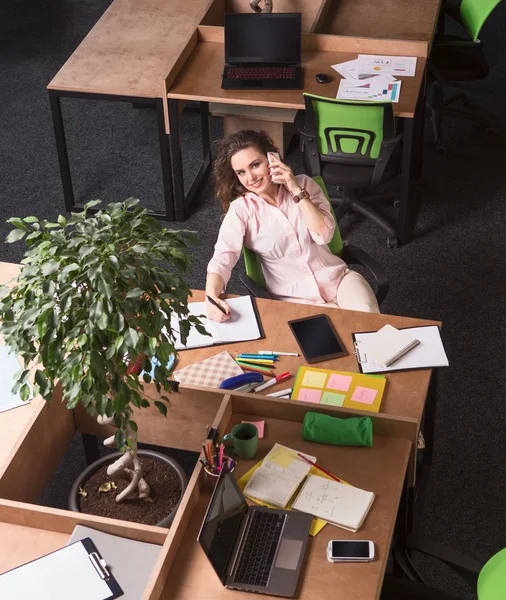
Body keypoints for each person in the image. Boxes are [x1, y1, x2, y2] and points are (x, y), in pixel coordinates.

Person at [205, 130, 380, 322]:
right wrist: (210, 297)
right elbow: (223, 257)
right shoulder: (241, 210)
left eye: (255, 165)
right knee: (334, 345)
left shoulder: (305, 184)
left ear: (272, 159)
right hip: (296, 300)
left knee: (370, 326)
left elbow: (324, 236)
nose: (251, 178)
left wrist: (296, 190)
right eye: (241, 172)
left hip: (339, 281)